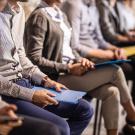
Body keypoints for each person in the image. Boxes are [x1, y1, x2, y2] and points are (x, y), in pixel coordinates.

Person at [24, 0, 135, 135]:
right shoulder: (40, 16)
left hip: (72, 70)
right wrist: (69, 67)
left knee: (112, 92)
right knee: (115, 70)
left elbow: (69, 49)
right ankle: (132, 114)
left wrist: (80, 59)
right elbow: (34, 59)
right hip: (57, 76)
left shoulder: (60, 13)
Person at [0, 0, 93, 135]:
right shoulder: (38, 15)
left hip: (25, 83)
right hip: (7, 93)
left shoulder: (19, 12)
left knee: (85, 109)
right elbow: (35, 57)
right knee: (61, 128)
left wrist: (45, 80)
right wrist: (31, 95)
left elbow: (21, 57)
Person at [62, 0, 135, 107]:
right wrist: (108, 54)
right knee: (127, 70)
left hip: (99, 54)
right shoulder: (74, 5)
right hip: (86, 59)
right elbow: (75, 46)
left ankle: (131, 117)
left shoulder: (93, 6)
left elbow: (100, 40)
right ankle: (131, 115)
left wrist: (115, 50)